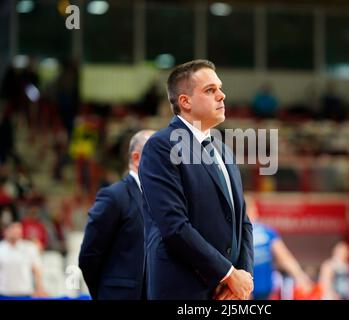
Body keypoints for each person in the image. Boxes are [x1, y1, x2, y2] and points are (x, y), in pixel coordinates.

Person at [139, 59, 254, 300]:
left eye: (220, 88)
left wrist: (241, 279)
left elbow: (242, 222)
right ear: (185, 101)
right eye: (210, 90)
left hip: (229, 294)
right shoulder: (160, 147)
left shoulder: (224, 151)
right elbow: (174, 226)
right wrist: (228, 274)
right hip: (183, 291)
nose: (222, 96)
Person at [79, 129, 154, 300]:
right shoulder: (114, 196)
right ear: (136, 158)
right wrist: (106, 292)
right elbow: (89, 255)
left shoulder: (164, 198)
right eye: (158, 154)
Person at [245, 195, 313, 300]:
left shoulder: (264, 232)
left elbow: (284, 257)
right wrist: (300, 276)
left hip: (252, 288)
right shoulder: (265, 232)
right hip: (252, 287)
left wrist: (300, 276)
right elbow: (284, 257)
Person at [0, 221, 47, 298]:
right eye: (13, 228)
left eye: (18, 228)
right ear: (5, 231)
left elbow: (37, 270)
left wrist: (39, 288)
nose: (16, 231)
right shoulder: (1, 248)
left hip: (25, 293)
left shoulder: (29, 247)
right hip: (4, 293)